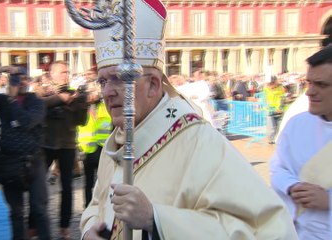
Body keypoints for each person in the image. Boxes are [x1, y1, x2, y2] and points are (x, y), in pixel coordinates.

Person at [79, 1, 298, 239]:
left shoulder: (199, 142)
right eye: (102, 81)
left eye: (120, 78)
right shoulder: (116, 143)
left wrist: (156, 219)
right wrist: (89, 230)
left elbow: (263, 229)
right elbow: (97, 204)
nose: (107, 92)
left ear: (152, 85)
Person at [0, 66, 50, 240]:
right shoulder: (2, 101)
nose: (21, 82)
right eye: (16, 79)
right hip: (10, 162)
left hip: (34, 161)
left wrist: (11, 101)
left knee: (39, 209)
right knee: (16, 212)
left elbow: (27, 122)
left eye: (24, 78)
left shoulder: (36, 102)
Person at [269, 45, 332, 239]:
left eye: (321, 85)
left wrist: (328, 201)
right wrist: (292, 186)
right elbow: (277, 169)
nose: (309, 92)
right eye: (309, 83)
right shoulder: (297, 124)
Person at [36, 61, 89, 239]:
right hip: (46, 144)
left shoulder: (76, 94)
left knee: (67, 188)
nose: (65, 75)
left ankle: (64, 227)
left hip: (67, 144)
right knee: (38, 186)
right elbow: (37, 107)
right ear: (51, 74)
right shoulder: (42, 92)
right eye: (61, 72)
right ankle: (33, 224)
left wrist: (81, 104)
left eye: (67, 72)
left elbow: (81, 121)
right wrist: (59, 100)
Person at [78, 69, 112, 207]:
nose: (92, 94)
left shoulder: (105, 106)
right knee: (88, 184)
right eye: (89, 92)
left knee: (104, 182)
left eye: (95, 91)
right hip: (87, 150)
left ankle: (104, 206)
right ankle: (88, 207)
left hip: (104, 150)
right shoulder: (81, 108)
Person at [264, 76, 286, 144]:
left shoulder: (281, 88)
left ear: (275, 82)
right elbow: (265, 98)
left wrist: (280, 108)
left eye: (271, 84)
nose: (269, 85)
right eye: (268, 84)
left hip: (279, 110)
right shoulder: (266, 89)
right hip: (270, 110)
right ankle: (272, 139)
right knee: (271, 126)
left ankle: (278, 138)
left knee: (279, 125)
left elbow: (282, 99)